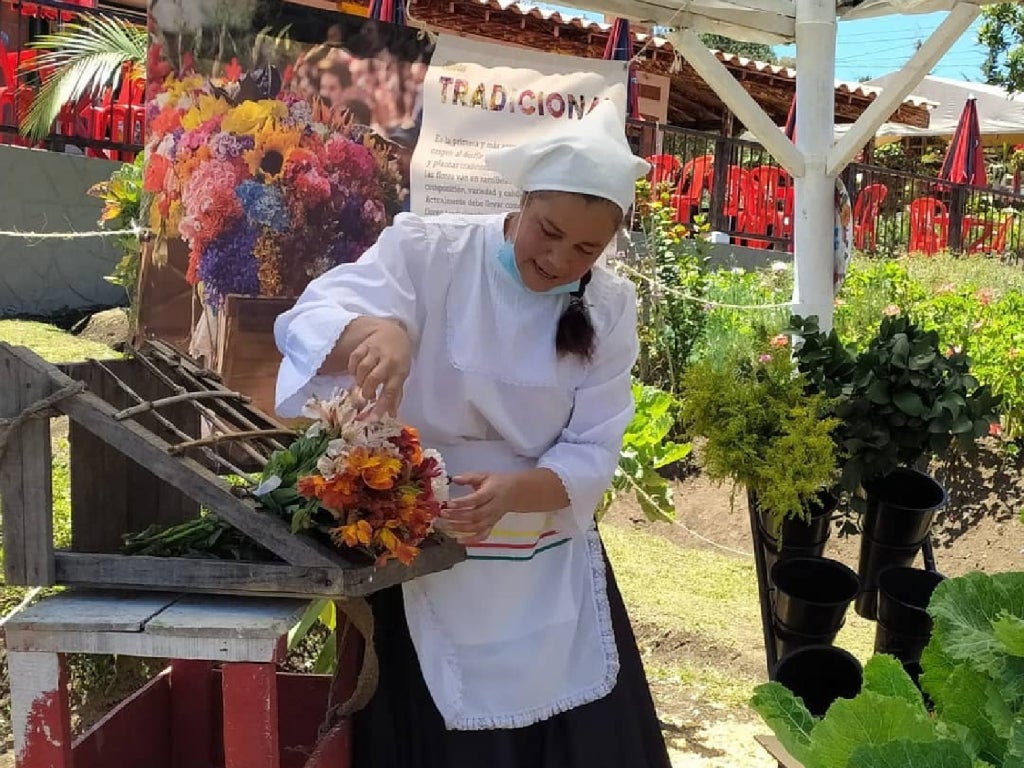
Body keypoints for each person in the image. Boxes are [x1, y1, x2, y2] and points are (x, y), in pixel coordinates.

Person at [273, 99, 671, 768]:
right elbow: (308, 320)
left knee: (567, 726)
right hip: (417, 537)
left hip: (540, 544)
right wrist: (380, 330)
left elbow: (595, 446)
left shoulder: (608, 307)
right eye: (548, 231)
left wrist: (515, 491)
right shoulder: (432, 251)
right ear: (523, 200)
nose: (558, 259)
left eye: (585, 250)